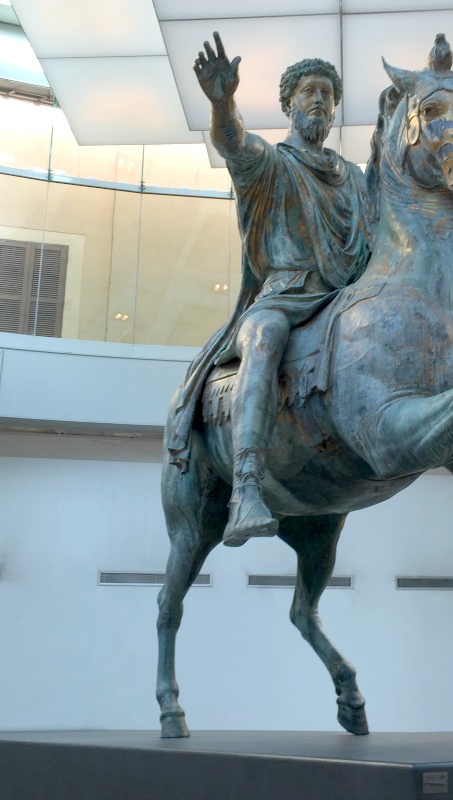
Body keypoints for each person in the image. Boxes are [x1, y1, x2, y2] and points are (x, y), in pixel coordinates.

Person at [166, 32, 372, 547]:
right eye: (310, 91)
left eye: (328, 93)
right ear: (288, 103)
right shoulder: (272, 163)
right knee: (262, 338)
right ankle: (248, 486)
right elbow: (232, 141)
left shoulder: (353, 177)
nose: (321, 100)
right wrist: (222, 101)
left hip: (344, 300)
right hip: (285, 296)